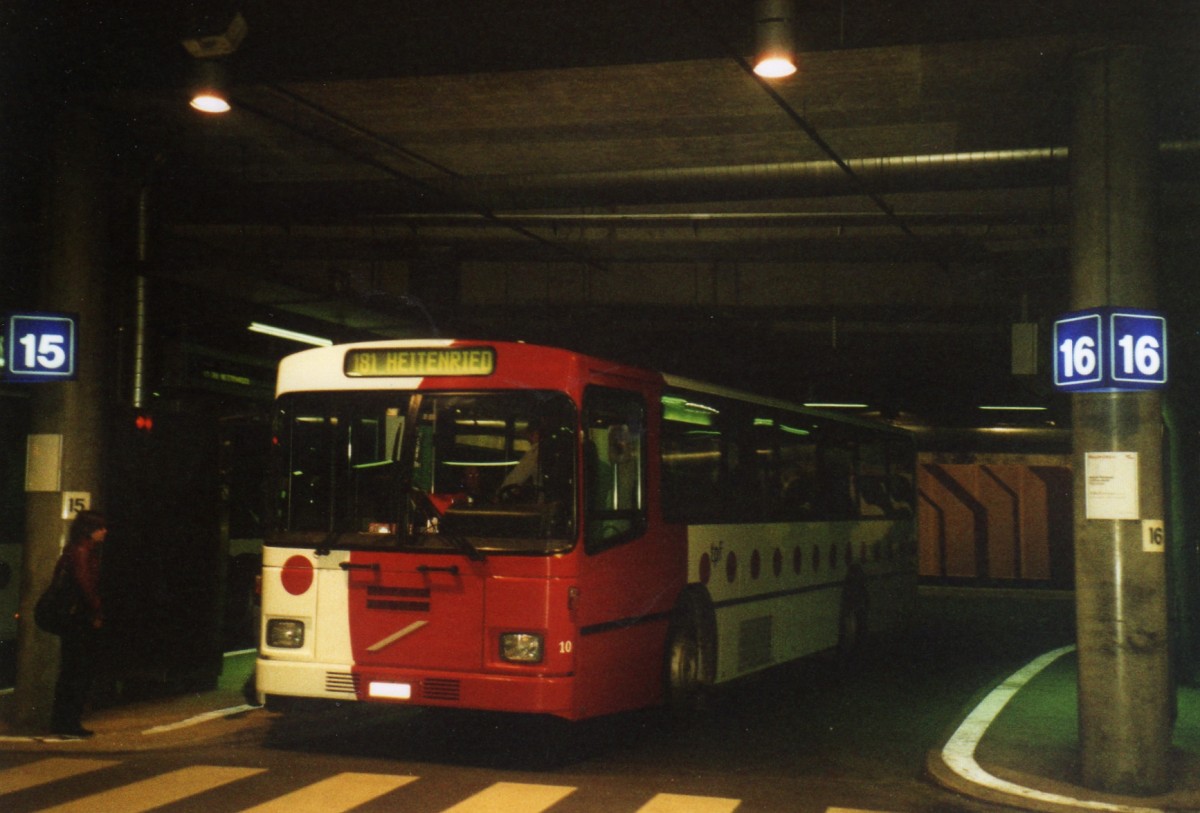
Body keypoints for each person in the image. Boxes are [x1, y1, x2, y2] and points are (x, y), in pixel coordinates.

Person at [50, 509, 107, 738]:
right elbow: (86, 586)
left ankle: (64, 721)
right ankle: (68, 722)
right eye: (100, 528)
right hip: (79, 619)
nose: (104, 532)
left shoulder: (76, 550)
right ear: (89, 531)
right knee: (78, 670)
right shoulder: (83, 552)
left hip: (73, 618)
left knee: (71, 670)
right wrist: (97, 611)